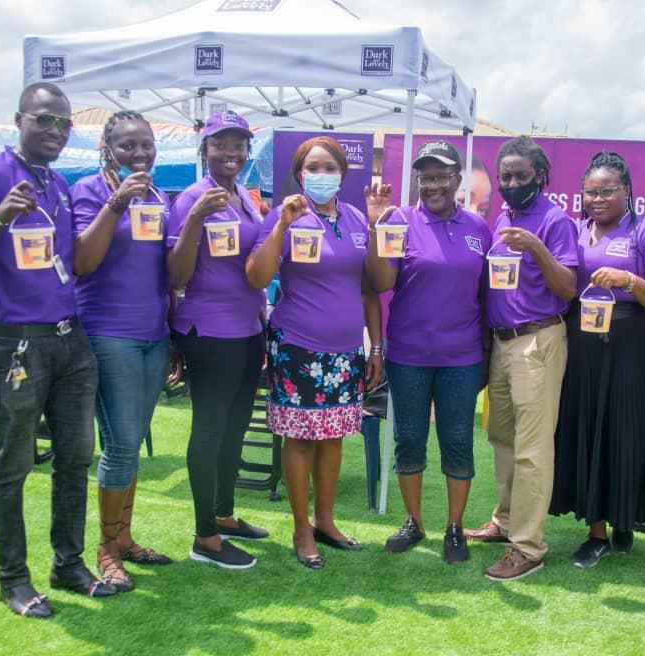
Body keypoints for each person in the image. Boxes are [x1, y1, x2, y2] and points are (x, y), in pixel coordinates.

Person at [0, 83, 115, 619]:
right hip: (14, 346)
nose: (55, 132)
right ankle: (12, 578)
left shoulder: (58, 184)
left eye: (64, 124)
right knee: (14, 464)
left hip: (70, 342)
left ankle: (67, 563)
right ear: (19, 119)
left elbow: (73, 261)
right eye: (45, 120)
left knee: (74, 459)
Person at [247, 135, 383, 570]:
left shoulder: (359, 220)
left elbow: (372, 287)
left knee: (333, 436)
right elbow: (257, 276)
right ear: (300, 173)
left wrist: (375, 345)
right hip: (298, 347)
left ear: (343, 174)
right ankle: (302, 527)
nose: (322, 175)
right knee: (301, 437)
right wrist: (282, 226)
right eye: (313, 167)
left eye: (330, 167)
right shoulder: (285, 215)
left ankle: (326, 521)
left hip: (346, 351)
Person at [549, 151, 645, 568]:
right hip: (584, 344)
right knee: (588, 429)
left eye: (607, 191)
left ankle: (626, 520)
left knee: (627, 431)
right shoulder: (575, 230)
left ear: (627, 190)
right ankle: (596, 531)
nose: (598, 199)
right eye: (590, 192)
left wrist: (629, 279)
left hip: (632, 344)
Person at [363, 140, 491, 564]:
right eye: (425, 178)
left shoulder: (478, 228)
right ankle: (415, 522)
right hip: (409, 356)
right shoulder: (399, 221)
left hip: (462, 357)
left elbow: (488, 295)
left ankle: (454, 527)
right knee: (409, 440)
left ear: (458, 179)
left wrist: (488, 354)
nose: (433, 185)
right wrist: (378, 229)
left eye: (441, 176)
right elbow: (381, 283)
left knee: (457, 441)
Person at [465, 136, 578, 582]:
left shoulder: (554, 220)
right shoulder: (504, 216)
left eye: (521, 175)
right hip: (504, 343)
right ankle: (506, 520)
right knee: (503, 439)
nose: (512, 183)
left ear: (540, 176)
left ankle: (528, 546)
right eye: (505, 176)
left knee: (532, 448)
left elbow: (568, 288)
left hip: (538, 340)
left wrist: (537, 248)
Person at [70, 110, 173, 592]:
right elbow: (82, 262)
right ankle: (106, 549)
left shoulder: (157, 195)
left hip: (155, 334)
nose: (139, 153)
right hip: (109, 334)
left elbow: (165, 271)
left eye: (146, 144)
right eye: (128, 145)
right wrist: (115, 203)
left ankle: (126, 538)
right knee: (122, 443)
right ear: (106, 148)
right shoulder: (89, 191)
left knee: (131, 442)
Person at [167, 110, 269, 570]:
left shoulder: (244, 197)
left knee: (236, 426)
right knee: (209, 430)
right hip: (209, 330)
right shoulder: (192, 197)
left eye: (238, 145)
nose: (231, 153)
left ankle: (224, 514)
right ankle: (204, 536)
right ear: (204, 150)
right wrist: (193, 220)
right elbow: (176, 274)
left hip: (248, 329)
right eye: (220, 144)